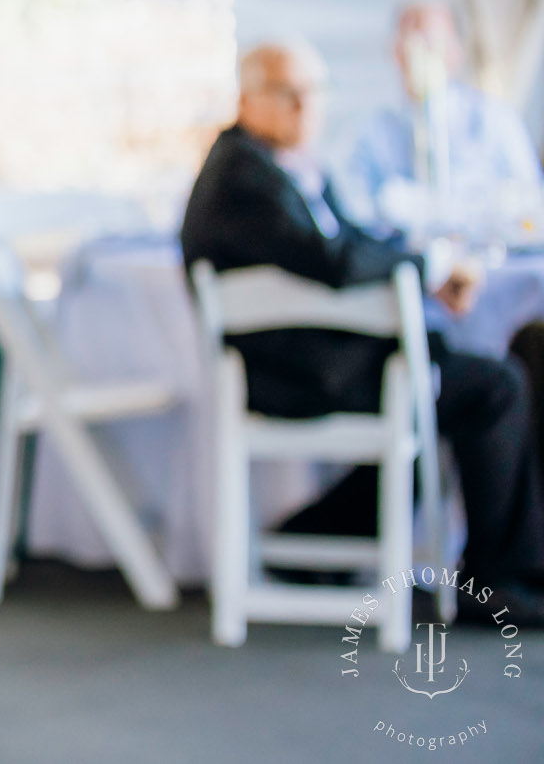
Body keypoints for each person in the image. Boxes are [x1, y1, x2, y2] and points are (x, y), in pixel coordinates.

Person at [180, 40, 544, 623]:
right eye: (288, 94)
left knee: (450, 381)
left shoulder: (278, 164)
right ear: (248, 100)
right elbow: (336, 260)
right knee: (493, 386)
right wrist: (433, 267)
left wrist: (426, 269)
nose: (306, 108)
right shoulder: (244, 176)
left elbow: (352, 242)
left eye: (314, 93)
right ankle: (504, 581)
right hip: (296, 375)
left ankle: (309, 541)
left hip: (321, 364)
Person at [344, 0, 542, 239]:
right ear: (395, 52)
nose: (418, 56)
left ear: (456, 51)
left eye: (430, 43)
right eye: (409, 43)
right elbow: (357, 212)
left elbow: (531, 202)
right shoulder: (373, 131)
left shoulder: (495, 119)